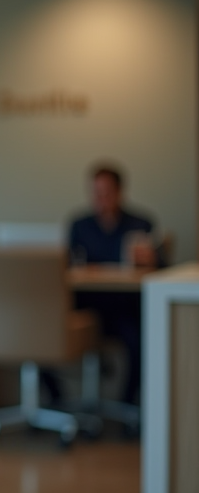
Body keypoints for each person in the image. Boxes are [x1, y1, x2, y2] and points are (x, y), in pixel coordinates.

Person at [68, 163, 162, 406]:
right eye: (96, 193)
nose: (101, 199)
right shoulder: (80, 225)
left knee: (141, 340)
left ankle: (127, 406)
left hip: (124, 308)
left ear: (120, 192)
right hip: (88, 308)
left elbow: (162, 267)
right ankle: (56, 401)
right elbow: (68, 263)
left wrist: (152, 259)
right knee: (43, 327)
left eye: (107, 192)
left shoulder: (140, 224)